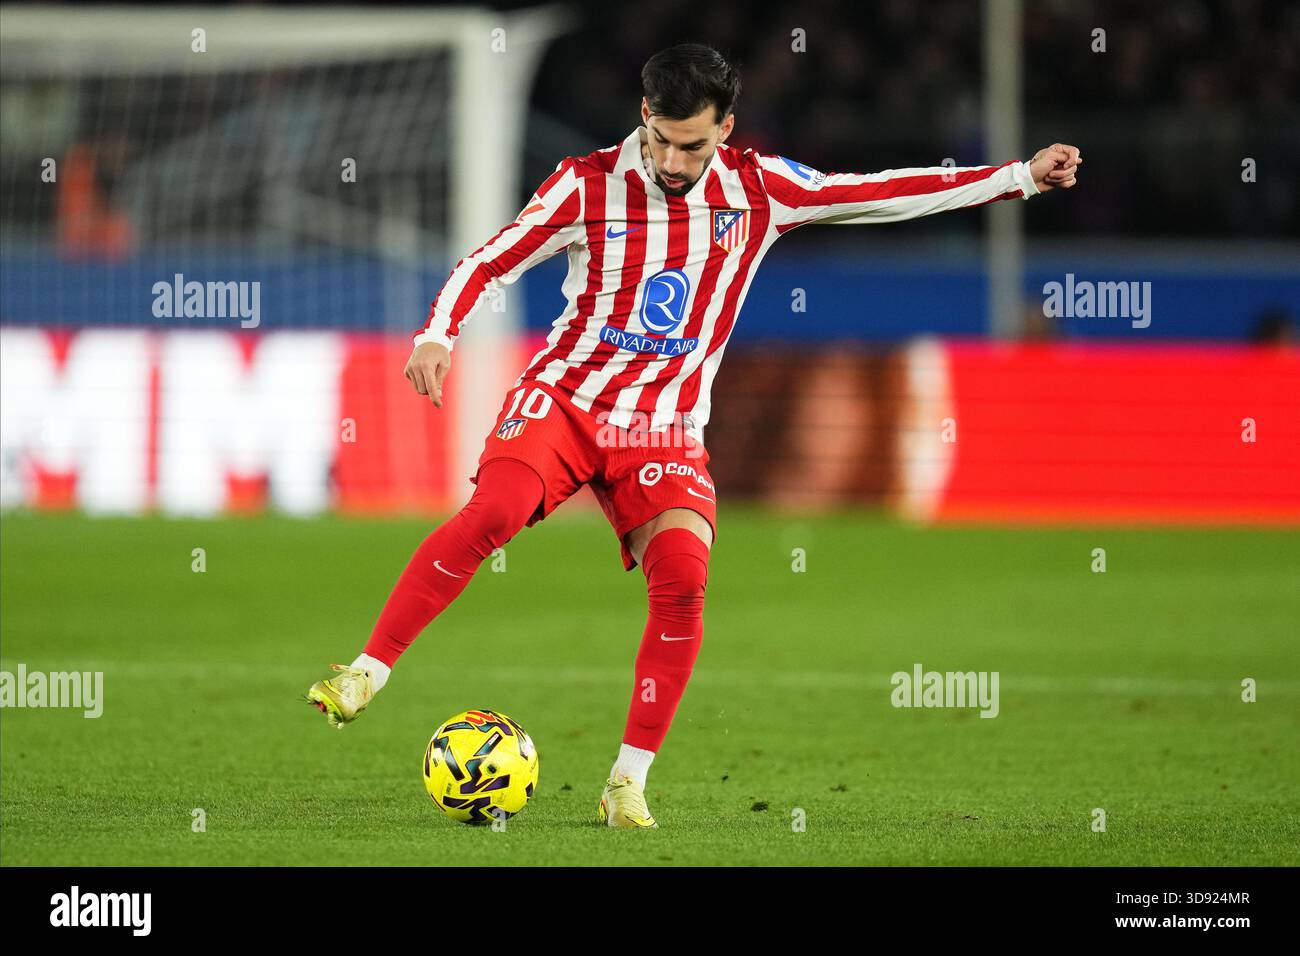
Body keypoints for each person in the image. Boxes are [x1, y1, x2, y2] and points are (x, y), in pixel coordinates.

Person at [307, 43, 1081, 828]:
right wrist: (438, 333)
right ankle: (367, 672)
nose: (675, 160)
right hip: (568, 401)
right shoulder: (584, 184)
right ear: (644, 117)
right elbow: (488, 261)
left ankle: (626, 783)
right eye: (662, 139)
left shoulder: (761, 190)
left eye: (694, 144)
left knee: (682, 576)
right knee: (497, 512)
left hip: (665, 427)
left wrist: (1018, 175)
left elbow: (881, 192)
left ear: (727, 129)